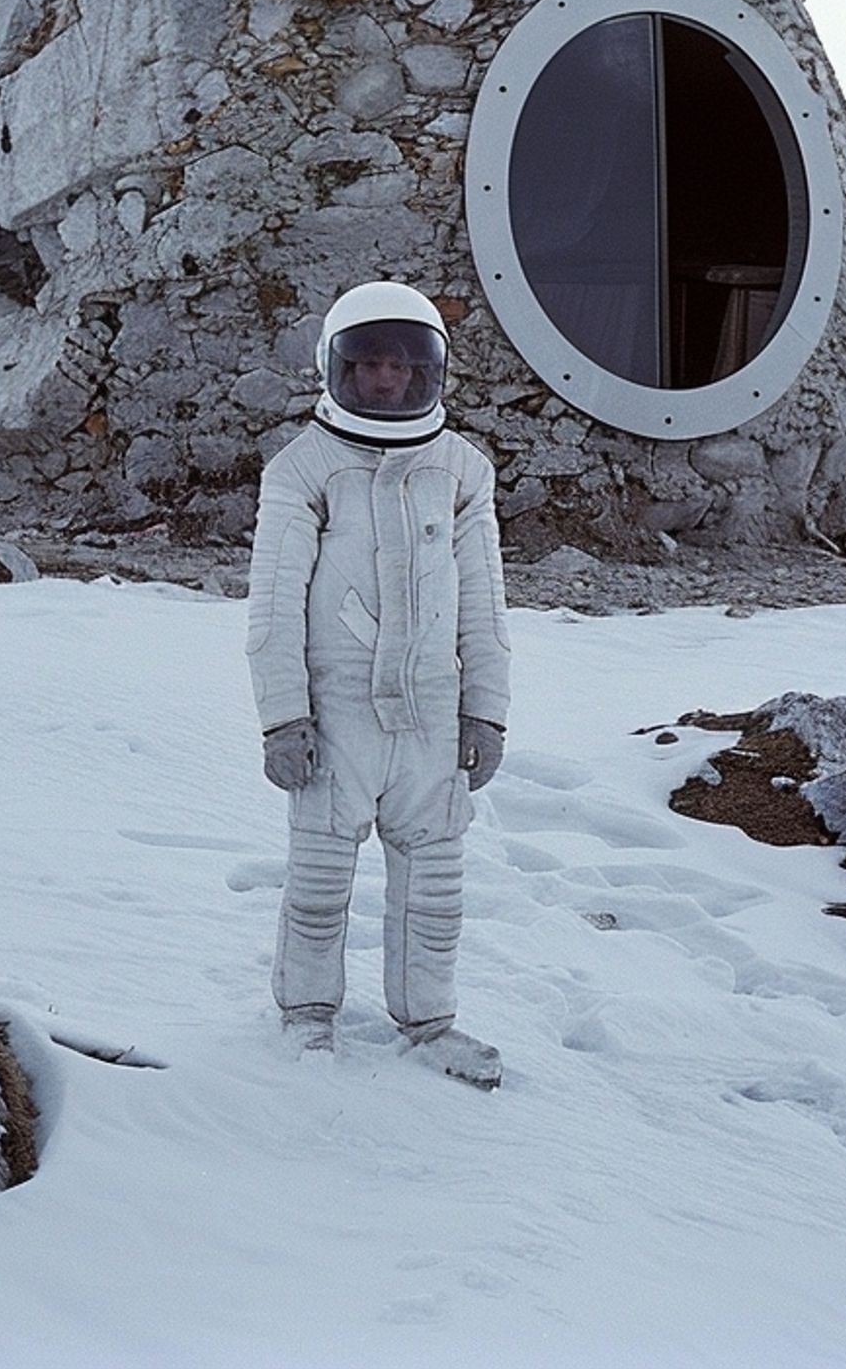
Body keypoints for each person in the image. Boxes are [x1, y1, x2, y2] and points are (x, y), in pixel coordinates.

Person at [244, 279, 511, 1087]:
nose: (388, 381)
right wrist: (283, 717)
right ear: (341, 369)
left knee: (435, 889)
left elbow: (484, 607)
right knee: (321, 880)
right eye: (371, 366)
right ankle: (307, 1016)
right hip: (338, 713)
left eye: (402, 367)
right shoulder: (305, 469)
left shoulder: (461, 469)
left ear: (429, 373)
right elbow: (274, 606)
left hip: (431, 713)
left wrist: (487, 713)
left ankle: (429, 1024)